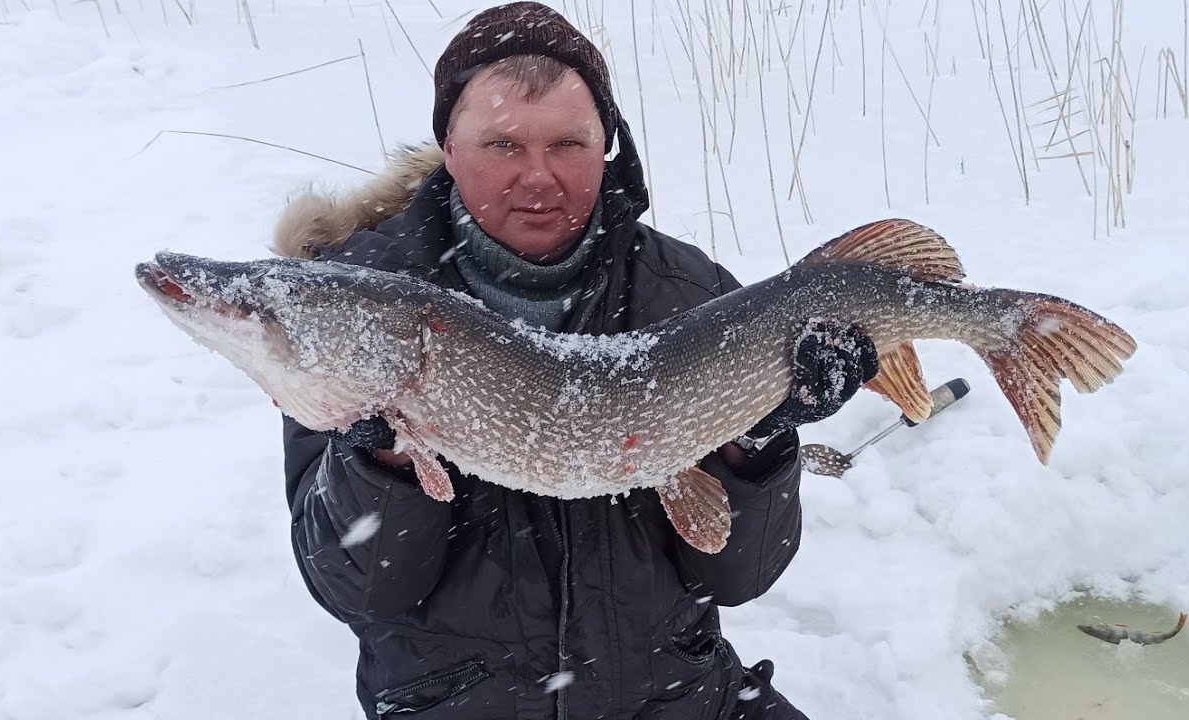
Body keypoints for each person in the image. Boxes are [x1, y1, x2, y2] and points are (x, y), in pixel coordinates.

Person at [275, 3, 878, 718]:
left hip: (674, 694)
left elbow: (740, 573)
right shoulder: (359, 305)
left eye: (568, 143)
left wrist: (758, 443)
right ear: (448, 145)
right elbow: (359, 588)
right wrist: (383, 468)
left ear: (606, 147)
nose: (538, 177)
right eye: (502, 145)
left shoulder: (689, 295)